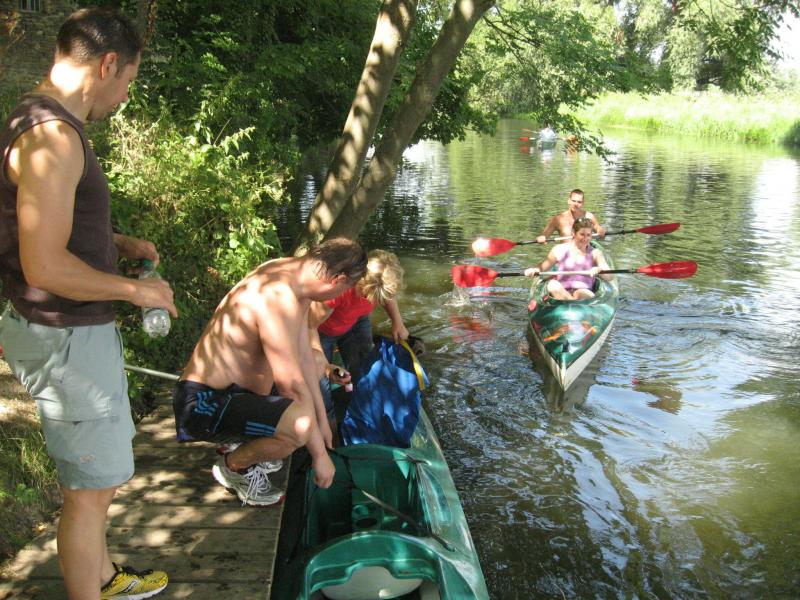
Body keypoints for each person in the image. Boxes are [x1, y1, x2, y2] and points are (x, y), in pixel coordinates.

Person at [0, 8, 176, 600]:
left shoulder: (36, 117)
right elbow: (44, 266)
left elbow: (42, 225)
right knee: (88, 492)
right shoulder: (53, 136)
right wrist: (136, 290)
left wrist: (116, 243)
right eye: (128, 81)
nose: (124, 96)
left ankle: (104, 579)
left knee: (97, 481)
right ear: (107, 65)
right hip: (66, 337)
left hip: (69, 334)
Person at [172, 238, 367, 506]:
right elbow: (291, 386)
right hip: (204, 404)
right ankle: (234, 467)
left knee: (313, 379)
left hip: (238, 395)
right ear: (338, 280)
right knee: (300, 427)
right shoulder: (278, 297)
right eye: (345, 289)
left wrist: (324, 424)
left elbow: (305, 360)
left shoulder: (293, 276)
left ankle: (253, 444)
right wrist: (320, 456)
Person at [312, 249, 408, 383]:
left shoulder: (379, 287)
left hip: (356, 321)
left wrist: (397, 322)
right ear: (362, 282)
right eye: (371, 296)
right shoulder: (338, 290)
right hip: (323, 331)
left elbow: (388, 296)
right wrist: (326, 367)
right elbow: (309, 327)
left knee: (365, 366)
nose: (376, 302)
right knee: (320, 378)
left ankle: (361, 390)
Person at [525, 217, 613, 301]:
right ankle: (572, 302)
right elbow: (542, 268)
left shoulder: (595, 253)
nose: (586, 238)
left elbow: (609, 277)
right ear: (573, 232)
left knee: (582, 293)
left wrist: (599, 270)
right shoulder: (559, 249)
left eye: (588, 235)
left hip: (583, 292)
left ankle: (572, 303)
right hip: (561, 292)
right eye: (582, 234)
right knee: (552, 285)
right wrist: (533, 270)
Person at [535, 189, 605, 243]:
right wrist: (541, 238)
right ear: (568, 201)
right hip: (566, 255)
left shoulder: (589, 217)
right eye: (573, 201)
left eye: (579, 202)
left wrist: (600, 231)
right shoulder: (558, 219)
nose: (576, 204)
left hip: (584, 254)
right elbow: (544, 235)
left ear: (583, 203)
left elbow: (598, 229)